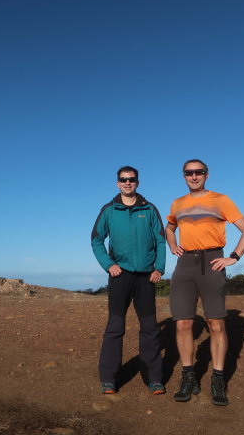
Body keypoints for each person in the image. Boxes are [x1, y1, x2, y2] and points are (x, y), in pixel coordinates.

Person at [165, 159, 244, 406]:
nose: (194, 176)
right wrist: (173, 245)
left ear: (206, 175)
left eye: (199, 172)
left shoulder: (221, 200)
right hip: (185, 266)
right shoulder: (178, 203)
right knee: (183, 323)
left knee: (215, 324)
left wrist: (233, 257)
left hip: (213, 260)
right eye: (189, 173)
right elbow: (169, 228)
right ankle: (188, 377)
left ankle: (217, 379)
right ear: (184, 176)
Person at [91, 166, 166, 395]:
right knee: (115, 327)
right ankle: (109, 380)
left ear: (137, 182)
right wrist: (109, 265)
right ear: (117, 183)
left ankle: (154, 379)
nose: (127, 183)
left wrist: (159, 268)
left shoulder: (149, 209)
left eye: (131, 179)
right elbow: (96, 240)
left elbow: (161, 241)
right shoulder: (109, 209)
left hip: (146, 277)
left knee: (150, 329)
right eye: (123, 179)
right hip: (120, 276)